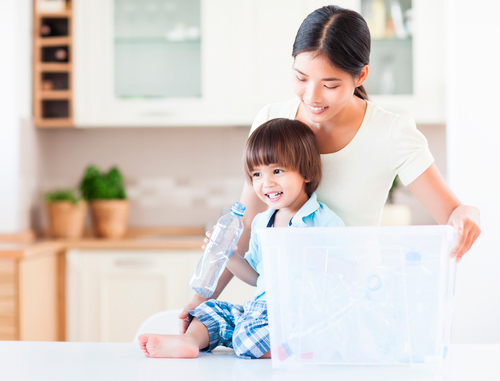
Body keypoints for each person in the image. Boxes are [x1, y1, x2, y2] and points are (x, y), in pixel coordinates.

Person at [178, 4, 481, 334]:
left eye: (330, 84)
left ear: (361, 75)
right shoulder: (271, 120)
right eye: (301, 77)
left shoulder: (392, 133)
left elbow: (452, 212)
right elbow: (245, 225)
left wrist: (468, 214)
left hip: (352, 309)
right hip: (286, 309)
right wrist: (199, 299)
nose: (312, 96)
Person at [138, 118, 344, 358]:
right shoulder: (261, 222)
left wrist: (311, 254)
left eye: (277, 171)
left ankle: (306, 347)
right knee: (210, 311)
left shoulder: (322, 221)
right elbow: (256, 278)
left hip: (299, 313)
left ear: (306, 173)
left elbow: (345, 275)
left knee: (247, 338)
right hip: (261, 310)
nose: (266, 183)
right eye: (257, 174)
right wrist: (228, 256)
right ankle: (189, 341)